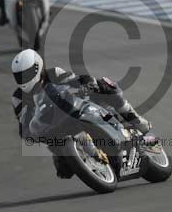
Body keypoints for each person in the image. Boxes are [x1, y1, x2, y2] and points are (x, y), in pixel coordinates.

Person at [10, 49, 151, 179]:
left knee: (105, 85)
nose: (23, 79)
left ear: (37, 67)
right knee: (63, 170)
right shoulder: (18, 98)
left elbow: (74, 79)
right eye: (19, 76)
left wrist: (87, 83)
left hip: (74, 108)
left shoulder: (53, 73)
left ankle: (136, 120)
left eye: (26, 74)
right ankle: (94, 163)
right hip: (53, 130)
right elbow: (24, 123)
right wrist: (29, 134)